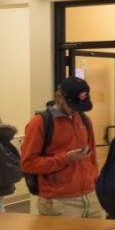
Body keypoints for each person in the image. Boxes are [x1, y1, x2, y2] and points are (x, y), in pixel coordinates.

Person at [20, 76, 104, 218]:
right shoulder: (40, 123)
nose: (76, 110)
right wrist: (65, 158)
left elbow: (92, 157)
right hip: (59, 201)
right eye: (73, 106)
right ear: (59, 97)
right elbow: (28, 163)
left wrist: (94, 182)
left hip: (91, 197)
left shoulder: (84, 120)